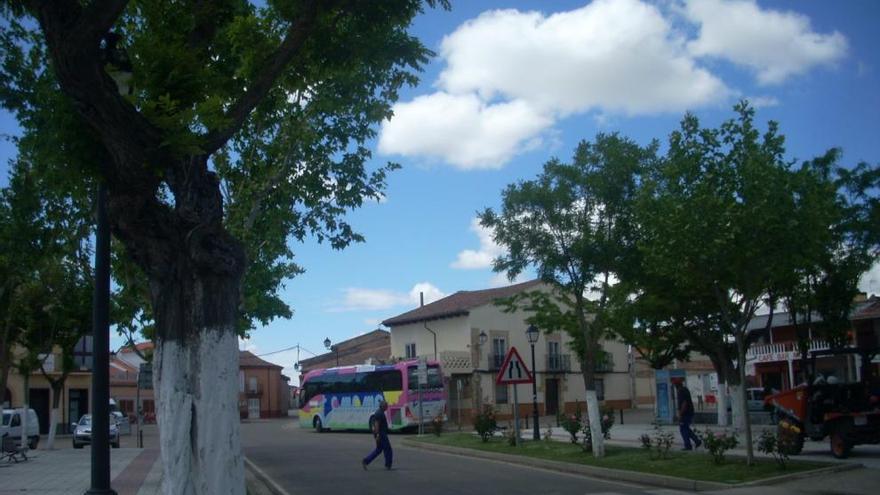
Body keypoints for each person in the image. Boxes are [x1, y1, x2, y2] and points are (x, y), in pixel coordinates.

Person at [362, 400, 393, 470]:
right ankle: (388, 465)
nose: (387, 407)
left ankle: (366, 461)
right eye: (386, 405)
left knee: (379, 450)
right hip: (381, 434)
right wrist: (377, 435)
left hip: (381, 434)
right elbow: (376, 425)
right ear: (383, 406)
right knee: (388, 449)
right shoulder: (379, 413)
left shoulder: (380, 412)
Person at [675, 381, 701, 451]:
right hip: (690, 412)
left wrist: (680, 414)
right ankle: (697, 441)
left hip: (685, 413)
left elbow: (684, 403)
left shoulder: (680, 391)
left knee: (683, 429)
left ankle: (688, 445)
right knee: (686, 428)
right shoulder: (686, 389)